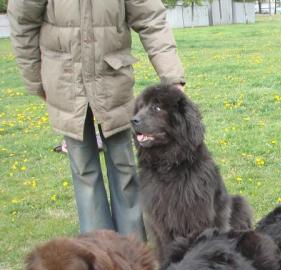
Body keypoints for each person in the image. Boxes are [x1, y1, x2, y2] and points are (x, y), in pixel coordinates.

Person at [9, 0, 186, 240]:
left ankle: (132, 248)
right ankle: (99, 248)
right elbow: (23, 24)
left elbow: (151, 19)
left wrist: (173, 77)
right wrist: (36, 80)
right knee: (83, 169)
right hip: (64, 80)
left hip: (113, 81)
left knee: (124, 166)